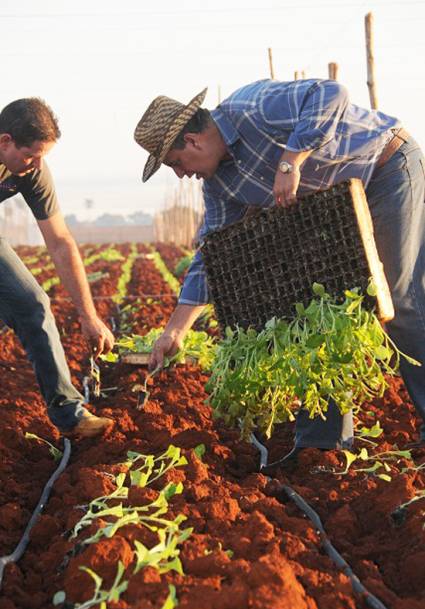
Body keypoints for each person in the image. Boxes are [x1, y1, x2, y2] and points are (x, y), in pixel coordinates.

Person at [133, 79, 425, 468]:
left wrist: (291, 161)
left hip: (385, 169)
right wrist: (175, 329)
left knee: (400, 300)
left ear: (192, 141)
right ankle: (321, 446)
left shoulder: (252, 107)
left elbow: (331, 93)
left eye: (174, 163)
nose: (181, 175)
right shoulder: (219, 186)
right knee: (321, 311)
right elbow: (212, 254)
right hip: (333, 204)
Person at [0, 97, 115, 438]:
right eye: (30, 155)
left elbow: (60, 240)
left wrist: (88, 315)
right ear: (5, 141)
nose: (36, 165)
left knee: (32, 302)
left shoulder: (30, 171)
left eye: (41, 156)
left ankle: (70, 415)